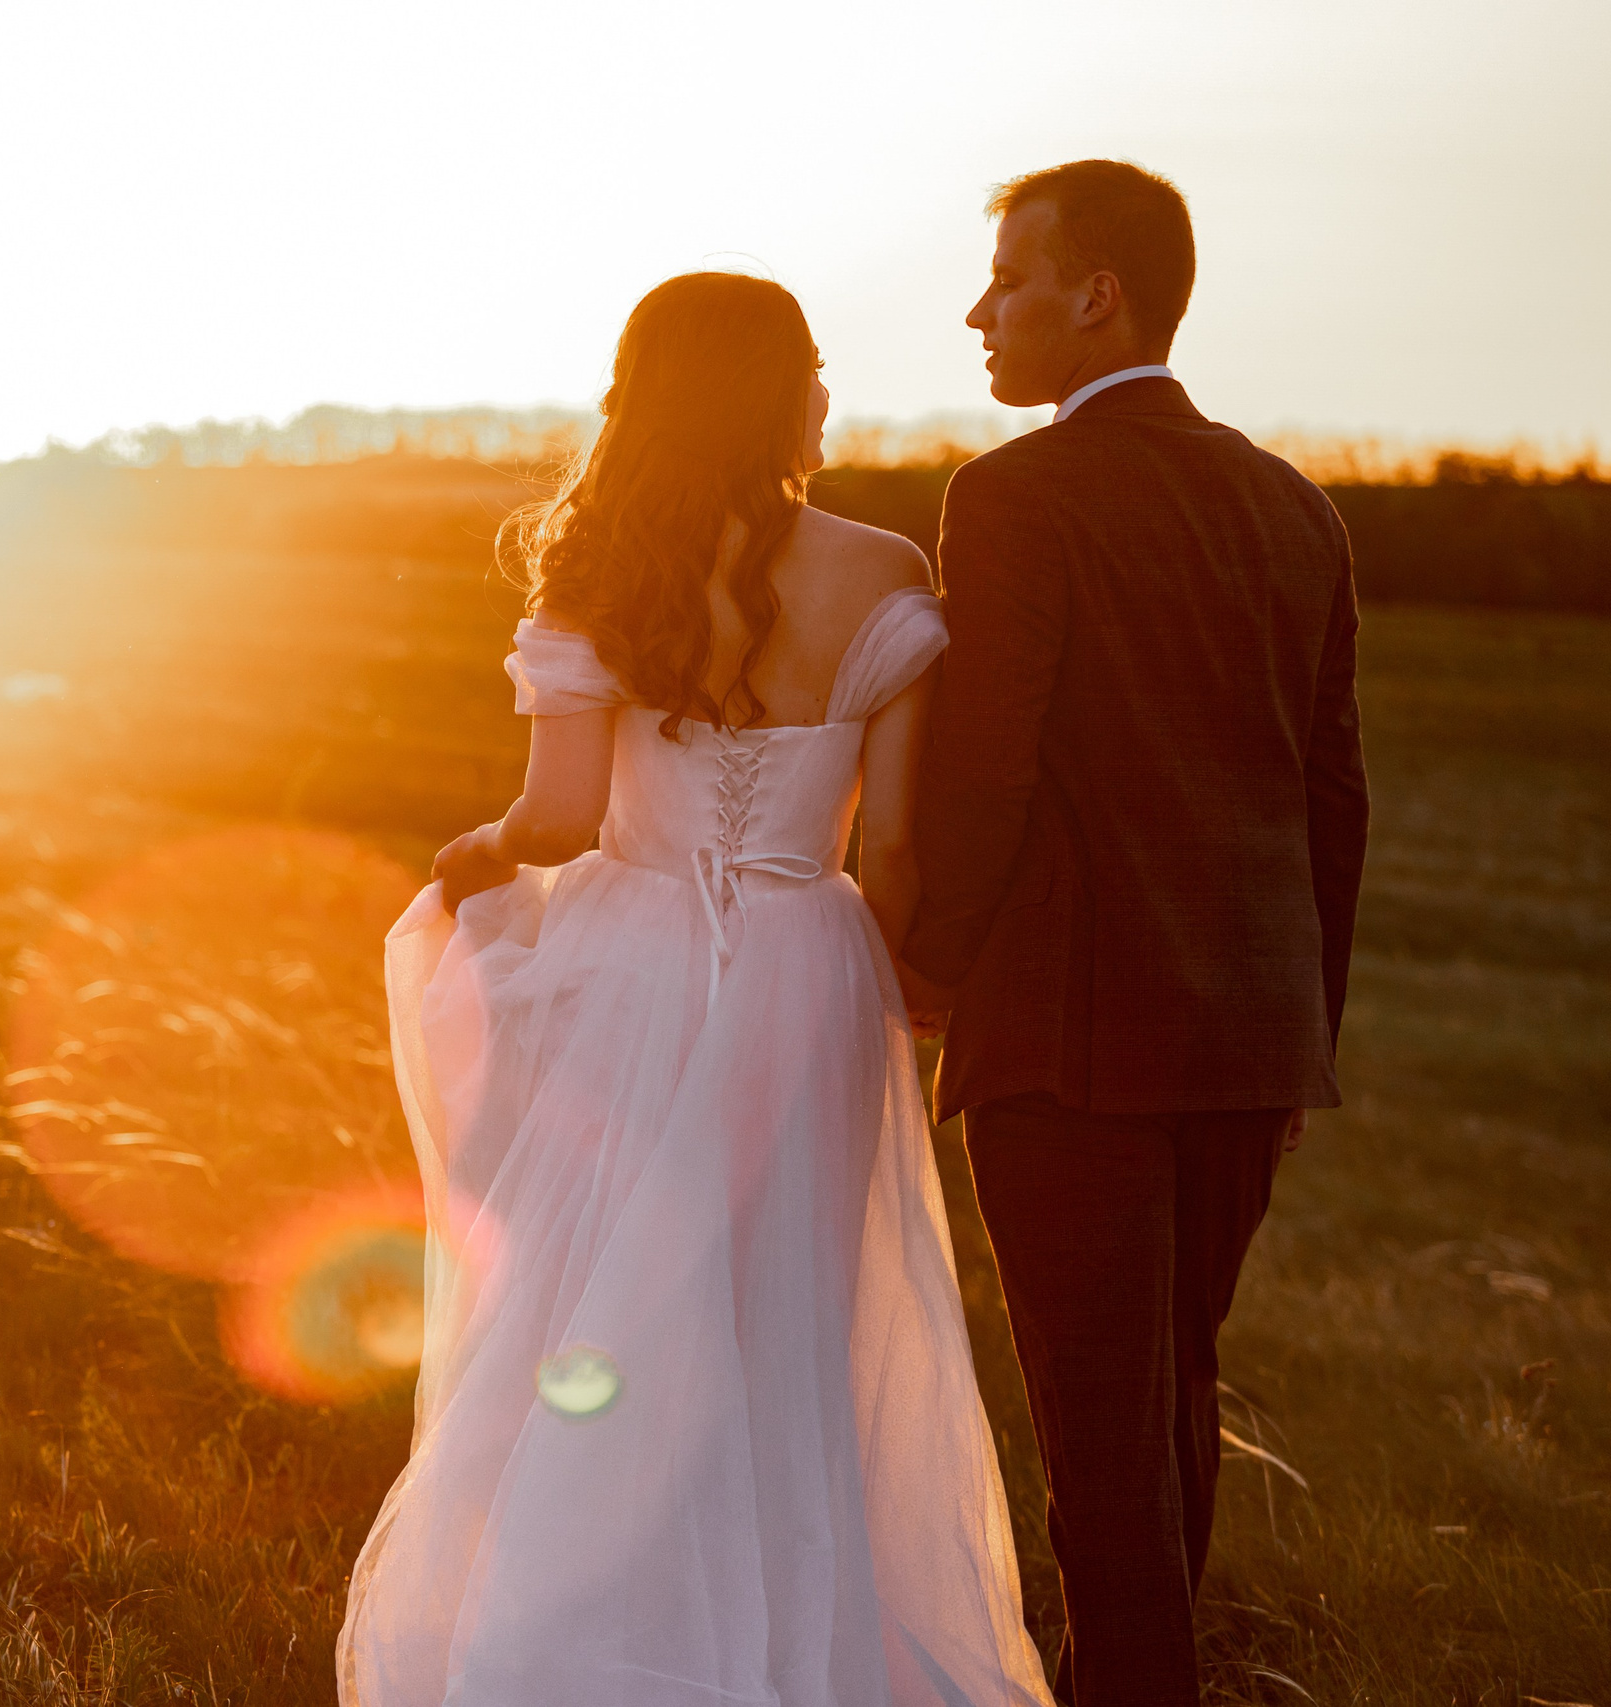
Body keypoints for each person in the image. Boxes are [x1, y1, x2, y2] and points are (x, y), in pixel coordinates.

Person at [340, 271, 1053, 1706]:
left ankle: (587, 1629)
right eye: (816, 366)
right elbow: (897, 847)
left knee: (595, 1296)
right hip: (810, 961)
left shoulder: (604, 567)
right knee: (793, 1312)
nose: (830, 392)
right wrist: (888, 981)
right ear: (779, 390)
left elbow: (554, 820)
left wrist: (464, 861)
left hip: (630, 956)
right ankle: (791, 1636)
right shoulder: (885, 574)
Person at [899, 160, 1369, 1705]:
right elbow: (1330, 804)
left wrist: (921, 966)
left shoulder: (1015, 497)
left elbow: (985, 764)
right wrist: (1306, 1036)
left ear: (1098, 296)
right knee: (1166, 1410)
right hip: (1247, 1041)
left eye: (1011, 281)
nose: (980, 311)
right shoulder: (1293, 507)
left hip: (1070, 1044)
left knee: (1106, 1451)